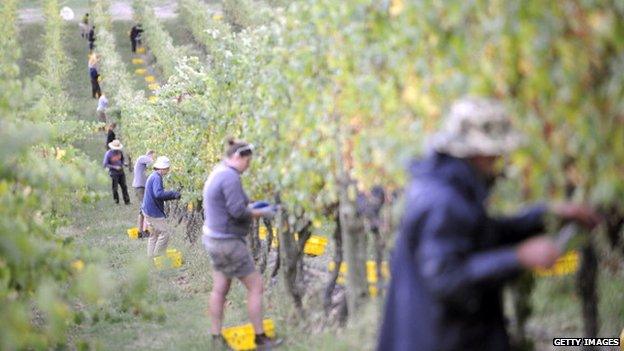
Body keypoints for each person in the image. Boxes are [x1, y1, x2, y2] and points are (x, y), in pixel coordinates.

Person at [377, 97, 601, 351]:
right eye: (496, 152)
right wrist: (519, 257)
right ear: (477, 152)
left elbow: (481, 233)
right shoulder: (443, 201)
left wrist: (546, 214)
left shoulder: (447, 187)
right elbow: (447, 278)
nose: (499, 159)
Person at [202, 139, 282, 349]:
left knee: (220, 289)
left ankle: (215, 337)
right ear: (237, 157)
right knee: (256, 286)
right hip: (228, 243)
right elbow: (237, 211)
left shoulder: (218, 171)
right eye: (247, 162)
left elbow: (231, 205)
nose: (248, 167)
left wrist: (253, 205)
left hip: (213, 239)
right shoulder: (230, 177)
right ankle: (260, 337)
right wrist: (263, 212)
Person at [142, 156, 181, 257]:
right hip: (153, 212)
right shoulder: (156, 178)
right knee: (165, 234)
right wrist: (173, 194)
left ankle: (151, 260)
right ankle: (157, 257)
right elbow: (158, 194)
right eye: (167, 169)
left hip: (148, 210)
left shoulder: (153, 176)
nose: (168, 171)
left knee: (153, 235)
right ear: (163, 168)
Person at [133, 150, 155, 238]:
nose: (153, 158)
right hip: (139, 188)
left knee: (143, 210)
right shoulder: (142, 158)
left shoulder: (145, 164)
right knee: (145, 209)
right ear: (150, 154)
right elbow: (152, 162)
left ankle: (141, 231)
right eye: (153, 156)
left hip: (142, 188)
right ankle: (145, 231)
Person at [102, 140, 131, 205]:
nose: (116, 150)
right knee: (115, 188)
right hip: (113, 173)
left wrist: (124, 163)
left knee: (124, 186)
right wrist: (115, 167)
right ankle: (116, 201)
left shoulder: (120, 152)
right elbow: (105, 164)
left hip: (121, 171)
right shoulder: (108, 154)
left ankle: (127, 201)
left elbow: (122, 160)